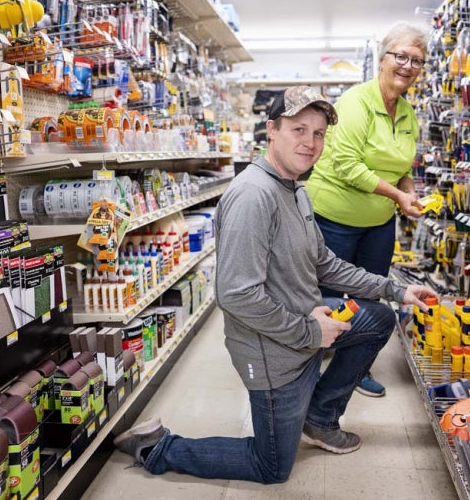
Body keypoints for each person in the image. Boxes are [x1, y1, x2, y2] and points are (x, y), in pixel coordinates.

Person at [112, 85, 436, 484]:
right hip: (272, 355)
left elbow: (325, 264)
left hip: (300, 334)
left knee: (379, 319)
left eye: (318, 133)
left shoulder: (296, 189)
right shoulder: (253, 196)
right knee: (272, 466)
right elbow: (235, 295)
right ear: (272, 130)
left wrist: (396, 290)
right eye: (299, 129)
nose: (311, 142)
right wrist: (310, 330)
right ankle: (157, 446)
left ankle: (318, 417)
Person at [305, 22, 429, 398]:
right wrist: (397, 195)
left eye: (417, 61)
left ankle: (355, 370)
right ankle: (308, 377)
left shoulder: (408, 114)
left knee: (369, 302)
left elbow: (403, 165)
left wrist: (409, 194)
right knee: (329, 301)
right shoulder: (355, 102)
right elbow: (347, 164)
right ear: (382, 59)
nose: (407, 66)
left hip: (378, 223)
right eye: (400, 56)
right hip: (333, 218)